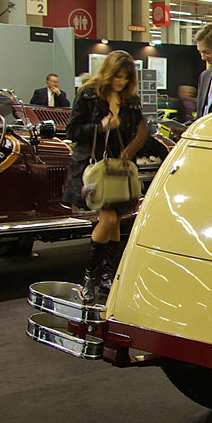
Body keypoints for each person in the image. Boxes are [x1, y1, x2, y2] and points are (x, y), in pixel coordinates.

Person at [62, 50, 149, 304]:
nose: (120, 82)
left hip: (119, 168)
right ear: (108, 73)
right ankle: (89, 277)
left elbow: (138, 129)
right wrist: (100, 127)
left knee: (115, 221)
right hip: (94, 167)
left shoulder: (130, 98)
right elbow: (74, 131)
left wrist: (131, 147)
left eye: (125, 78)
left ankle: (106, 276)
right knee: (108, 219)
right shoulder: (89, 94)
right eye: (117, 77)